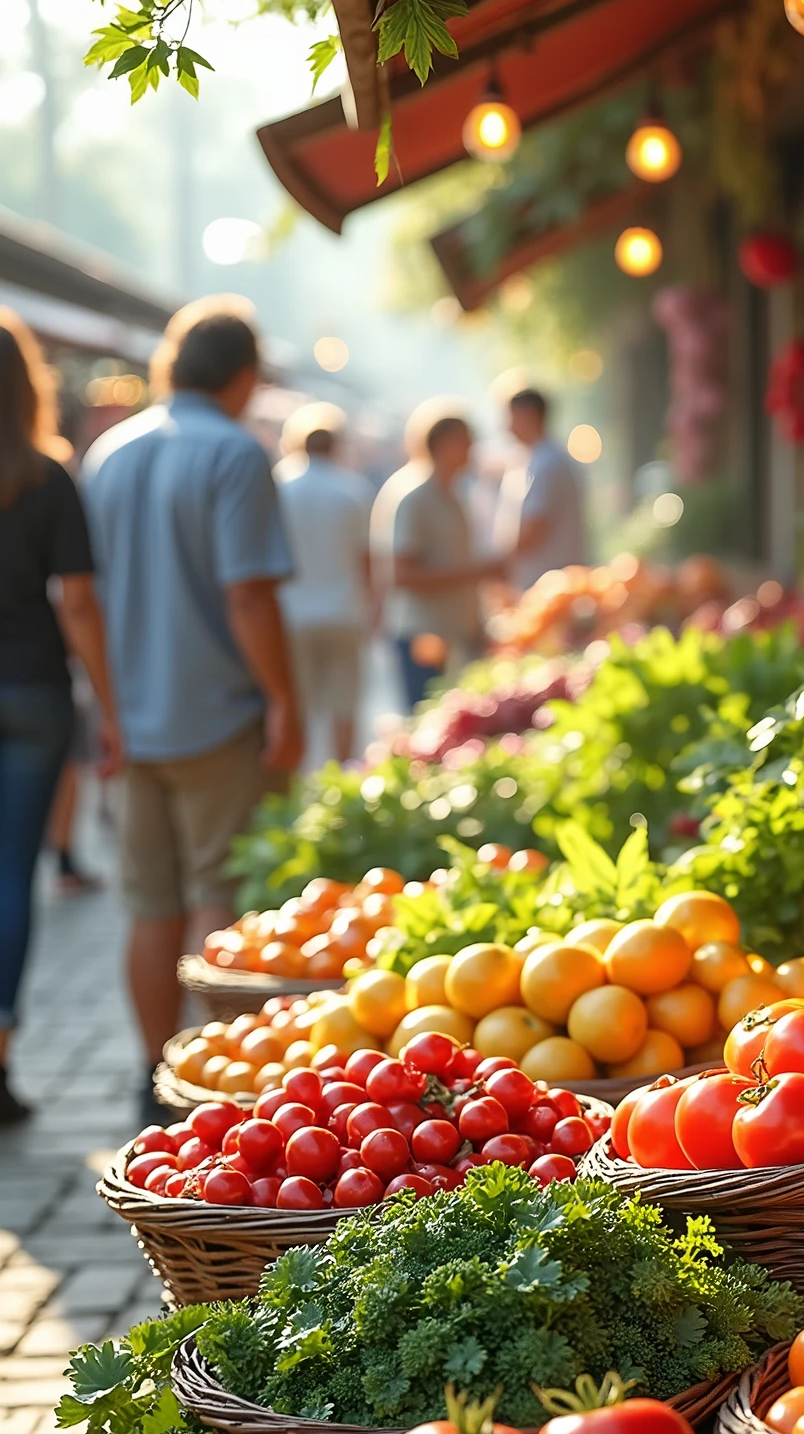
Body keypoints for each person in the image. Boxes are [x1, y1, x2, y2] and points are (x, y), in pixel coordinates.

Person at [82, 298, 302, 1123]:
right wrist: (284, 699)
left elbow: (85, 597)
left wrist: (106, 707)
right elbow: (248, 595)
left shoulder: (109, 453)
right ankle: (217, 1080)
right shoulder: (236, 455)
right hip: (218, 712)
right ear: (244, 376)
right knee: (218, 891)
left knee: (148, 902)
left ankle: (151, 1071)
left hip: (132, 717)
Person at [0, 308, 121, 1122]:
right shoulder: (47, 477)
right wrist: (109, 707)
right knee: (14, 876)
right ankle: (0, 1054)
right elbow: (78, 603)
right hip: (35, 692)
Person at [371, 399, 504, 708]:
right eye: (466, 442)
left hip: (453, 633)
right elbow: (402, 575)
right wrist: (477, 572)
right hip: (423, 634)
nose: (472, 450)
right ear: (444, 443)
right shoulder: (414, 495)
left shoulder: (452, 493)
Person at [274, 402, 374, 763]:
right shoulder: (353, 489)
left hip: (291, 614)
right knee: (344, 707)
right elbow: (366, 560)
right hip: (343, 611)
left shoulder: (278, 487)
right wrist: (373, 608)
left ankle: (298, 786)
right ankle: (340, 782)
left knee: (297, 706)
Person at [495, 388, 588, 590]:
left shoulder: (545, 464)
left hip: (544, 583)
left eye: (511, 418)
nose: (507, 427)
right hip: (544, 580)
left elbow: (533, 529)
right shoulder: (541, 459)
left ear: (530, 415)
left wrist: (496, 565)